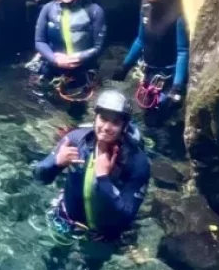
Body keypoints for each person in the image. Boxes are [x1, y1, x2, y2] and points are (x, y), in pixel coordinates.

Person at [33, 89, 150, 240]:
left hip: (104, 236)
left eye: (115, 122)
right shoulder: (75, 141)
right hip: (66, 221)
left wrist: (103, 178)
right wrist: (56, 163)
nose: (107, 127)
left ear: (124, 126)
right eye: (103, 119)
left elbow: (126, 216)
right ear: (95, 118)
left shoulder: (137, 162)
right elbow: (38, 177)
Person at [112, 0, 189, 122]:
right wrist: (125, 66)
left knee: (161, 116)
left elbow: (182, 51)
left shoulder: (178, 12)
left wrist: (177, 88)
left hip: (169, 74)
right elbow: (141, 39)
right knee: (146, 113)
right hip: (150, 70)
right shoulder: (145, 4)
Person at [30, 0, 106, 101]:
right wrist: (55, 59)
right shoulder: (48, 9)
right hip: (52, 67)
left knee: (77, 112)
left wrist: (77, 57)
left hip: (82, 69)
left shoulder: (94, 11)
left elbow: (98, 46)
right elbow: (39, 41)